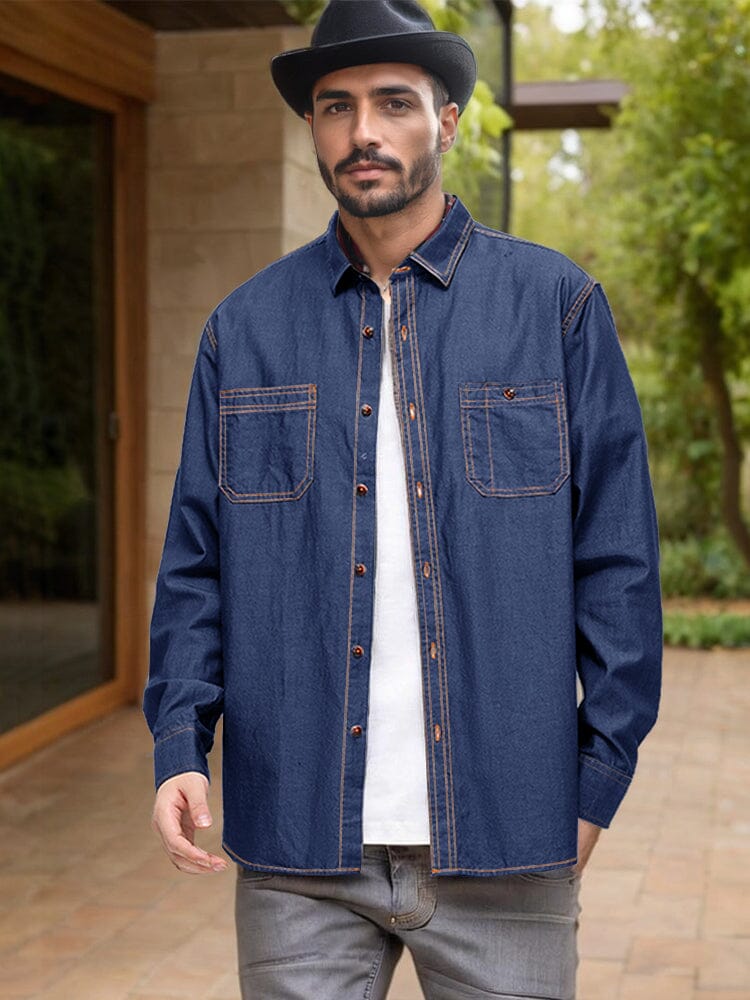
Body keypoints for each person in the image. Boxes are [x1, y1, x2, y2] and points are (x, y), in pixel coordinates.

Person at [144, 1, 662, 997]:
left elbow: (619, 566)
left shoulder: (555, 308)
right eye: (335, 107)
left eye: (393, 102)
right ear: (313, 129)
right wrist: (178, 744)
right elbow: (196, 564)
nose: (363, 131)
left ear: (448, 120)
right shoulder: (243, 331)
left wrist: (596, 786)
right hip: (298, 844)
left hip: (510, 838)